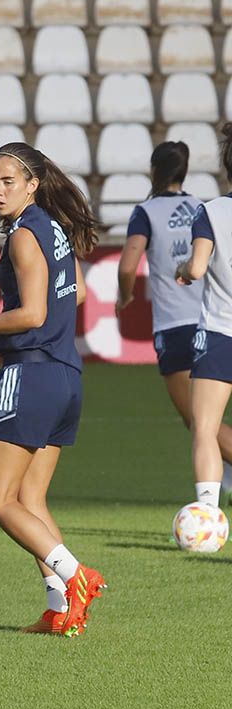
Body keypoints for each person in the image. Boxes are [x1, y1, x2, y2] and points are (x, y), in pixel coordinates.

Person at [0, 142, 106, 637]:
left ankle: (77, 577)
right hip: (64, 374)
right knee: (31, 498)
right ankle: (60, 608)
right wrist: (10, 326)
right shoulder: (53, 228)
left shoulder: (23, 235)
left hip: (29, 374)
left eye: (8, 180)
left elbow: (32, 313)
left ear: (32, 184)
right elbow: (73, 286)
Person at [117, 143, 232, 496]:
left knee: (201, 424)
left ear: (154, 169)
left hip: (189, 327)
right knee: (203, 424)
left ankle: (211, 504)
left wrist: (125, 296)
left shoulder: (148, 212)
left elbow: (127, 264)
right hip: (206, 315)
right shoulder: (200, 206)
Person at [178, 123, 232, 512]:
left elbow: (196, 268)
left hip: (219, 331)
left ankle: (209, 516)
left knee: (206, 429)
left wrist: (184, 269)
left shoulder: (210, 212)